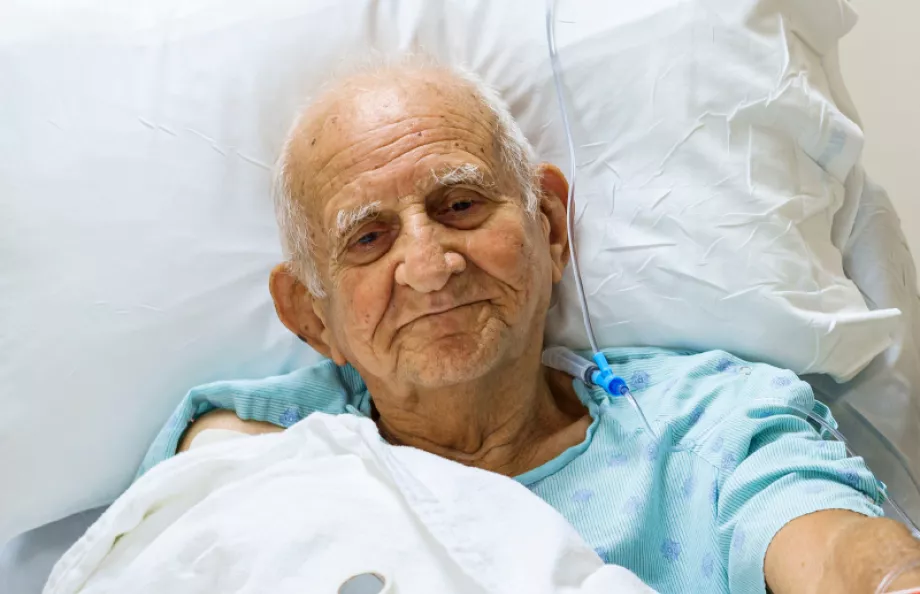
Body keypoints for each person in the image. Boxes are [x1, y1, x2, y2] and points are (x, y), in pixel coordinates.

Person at [138, 57, 920, 593]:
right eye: (369, 238)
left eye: (461, 205)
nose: (429, 263)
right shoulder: (253, 442)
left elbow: (829, 542)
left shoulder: (708, 428)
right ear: (312, 315)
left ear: (549, 226)